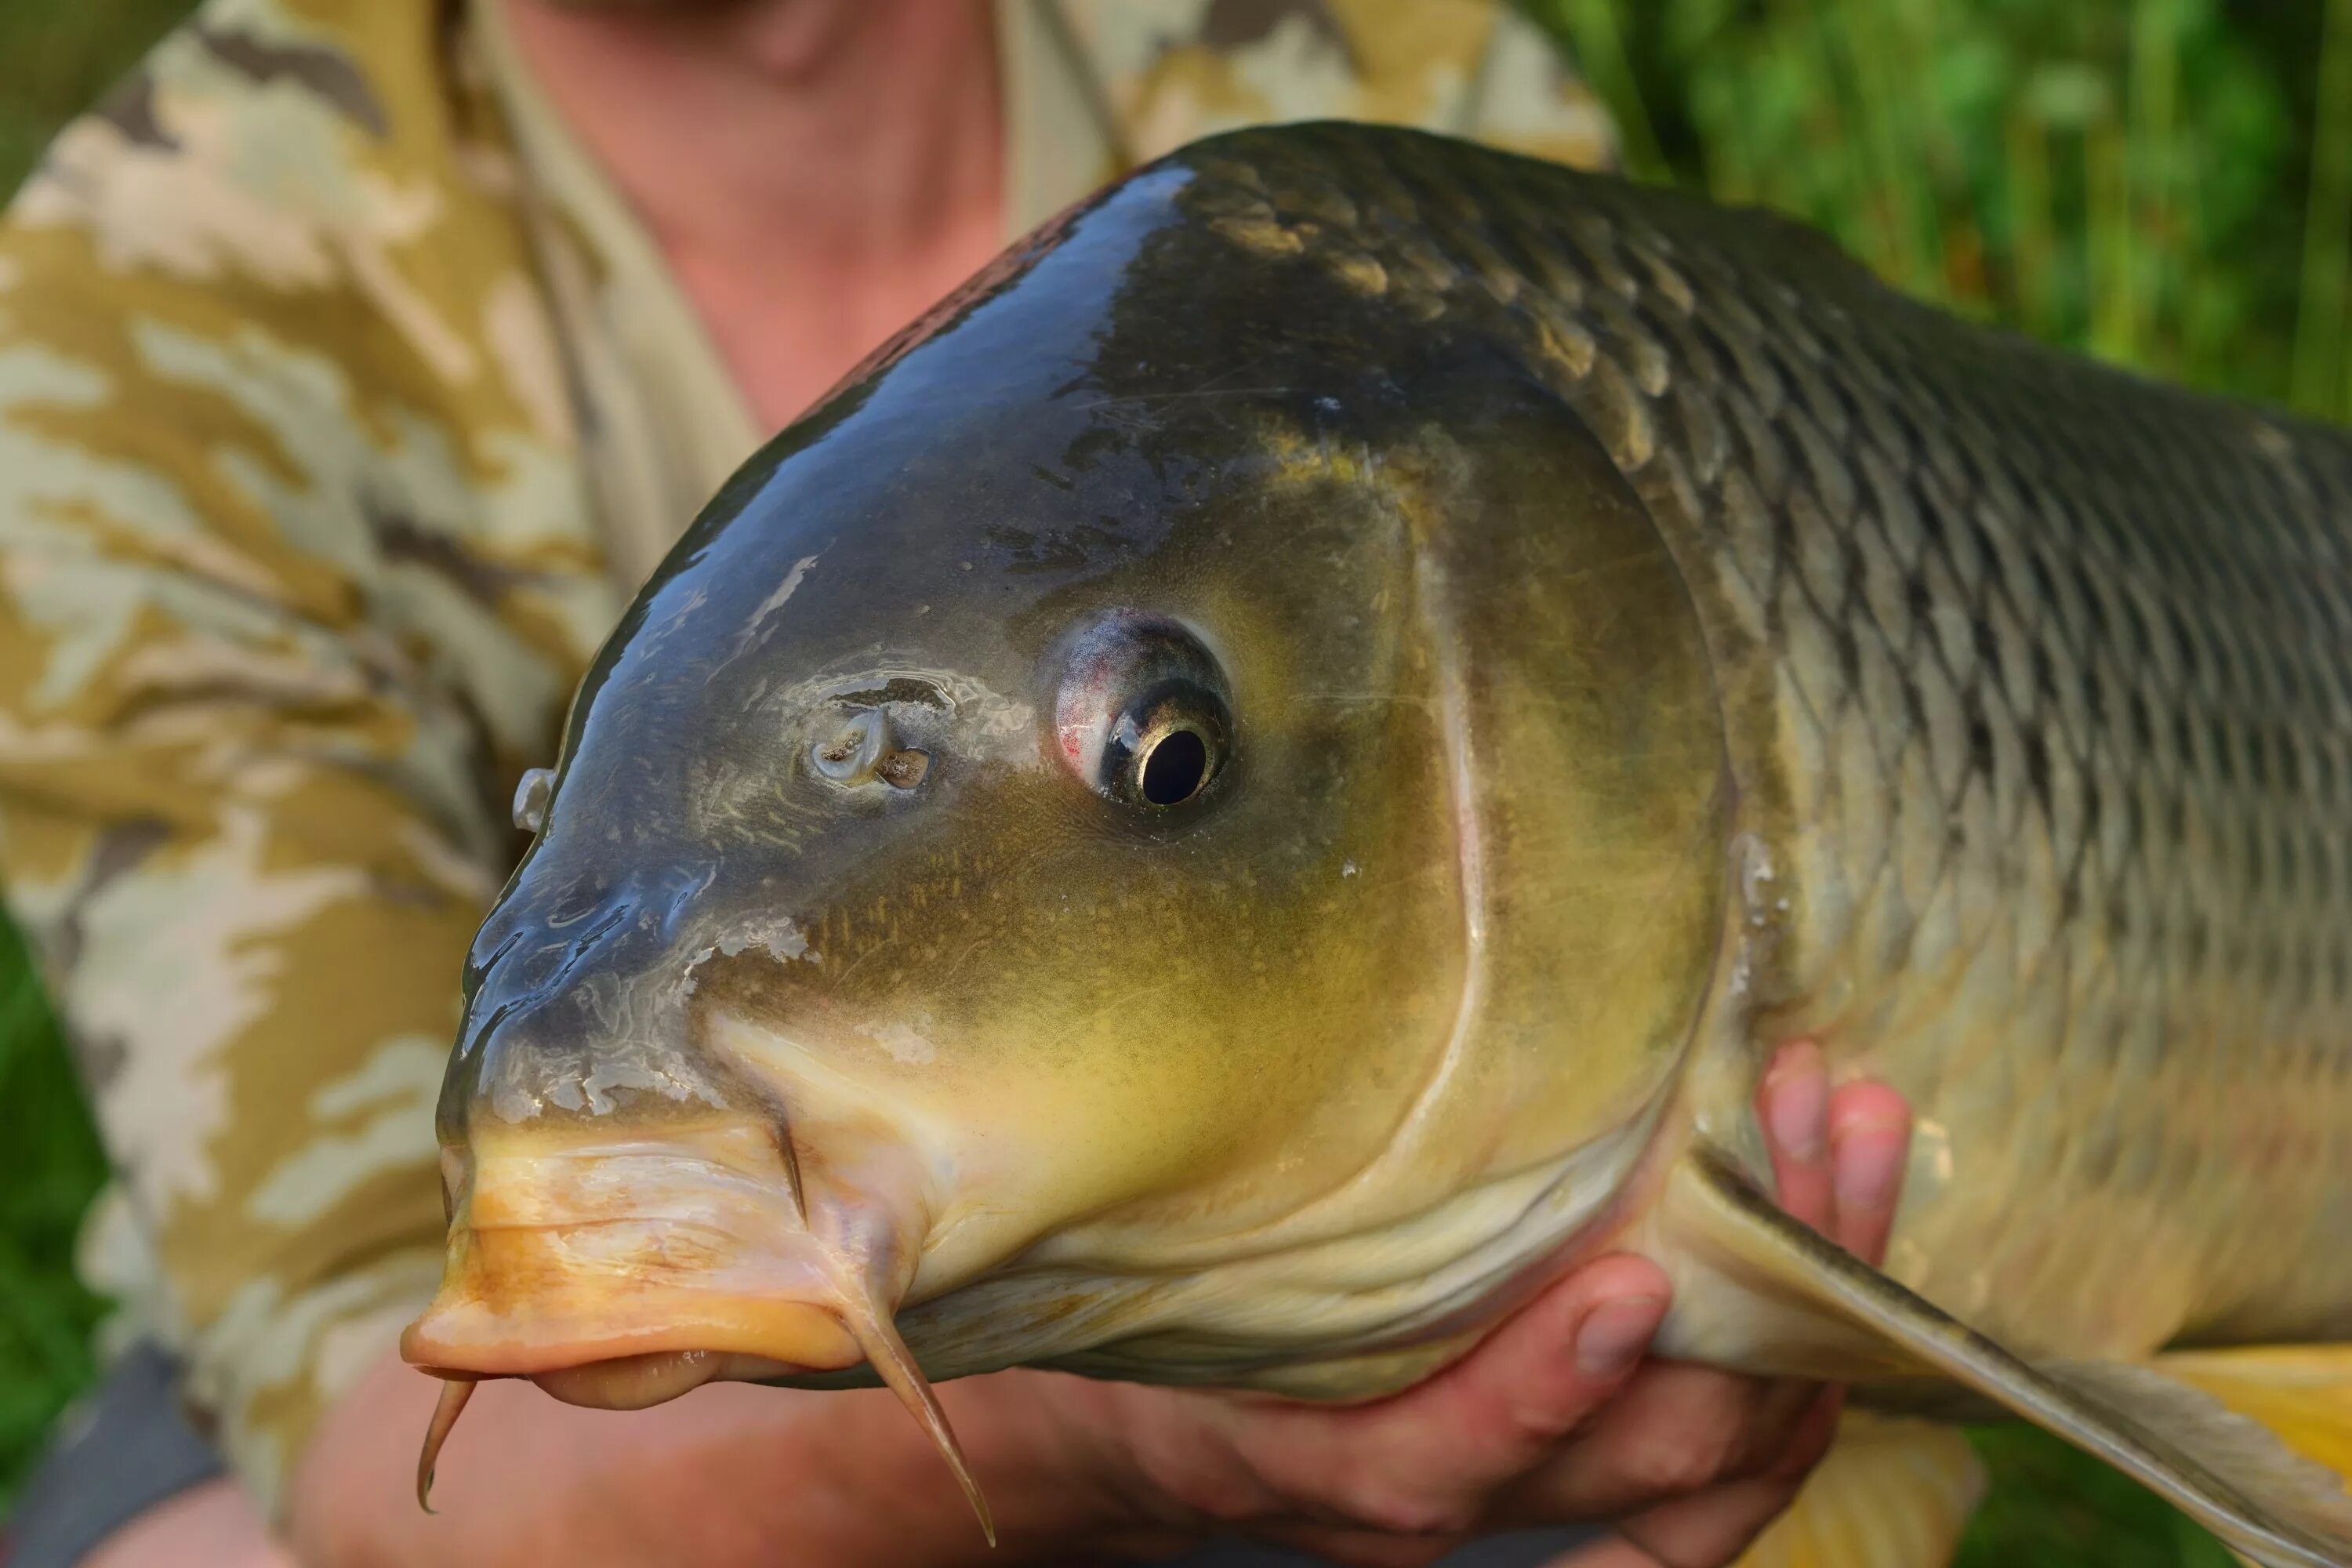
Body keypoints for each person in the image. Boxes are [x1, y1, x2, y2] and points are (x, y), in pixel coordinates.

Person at [0, 2, 1914, 1563]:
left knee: (1662, 1421)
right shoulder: (145, 292)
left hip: (1395, 1236)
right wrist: (1143, 1438)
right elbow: (361, 1400)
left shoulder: (1346, 61)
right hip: (574, 1347)